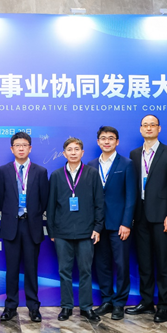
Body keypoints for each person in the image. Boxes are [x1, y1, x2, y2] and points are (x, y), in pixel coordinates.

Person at [127, 115, 167, 323]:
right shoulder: (134, 154)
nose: (148, 128)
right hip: (140, 216)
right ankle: (147, 302)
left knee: (164, 263)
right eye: (145, 125)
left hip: (162, 217)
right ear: (140, 129)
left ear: (159, 128)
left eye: (152, 125)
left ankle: (164, 306)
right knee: (144, 262)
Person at [47, 137, 104, 322]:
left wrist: (97, 227)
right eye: (69, 150)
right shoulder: (56, 175)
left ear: (82, 152)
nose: (73, 152)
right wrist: (52, 231)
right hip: (62, 232)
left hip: (86, 232)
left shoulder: (92, 173)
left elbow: (99, 203)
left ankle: (86, 307)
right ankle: (66, 307)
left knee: (86, 271)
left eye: (76, 149)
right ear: (64, 153)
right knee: (64, 271)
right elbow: (51, 206)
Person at [0, 132, 49, 323]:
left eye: (24, 145)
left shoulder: (40, 171)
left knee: (31, 269)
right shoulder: (4, 170)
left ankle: (34, 307)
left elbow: (44, 200)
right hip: (11, 225)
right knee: (11, 269)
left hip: (31, 226)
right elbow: (1, 199)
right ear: (12, 149)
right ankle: (10, 307)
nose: (21, 148)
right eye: (17, 145)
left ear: (30, 148)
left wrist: (31, 214)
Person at [88, 126, 136, 320]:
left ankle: (119, 303)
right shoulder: (91, 165)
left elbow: (131, 196)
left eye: (110, 138)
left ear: (117, 142)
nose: (106, 141)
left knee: (121, 264)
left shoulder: (127, 164)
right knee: (102, 264)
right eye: (103, 138)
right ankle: (107, 300)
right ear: (98, 142)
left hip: (119, 225)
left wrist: (126, 223)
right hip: (98, 225)